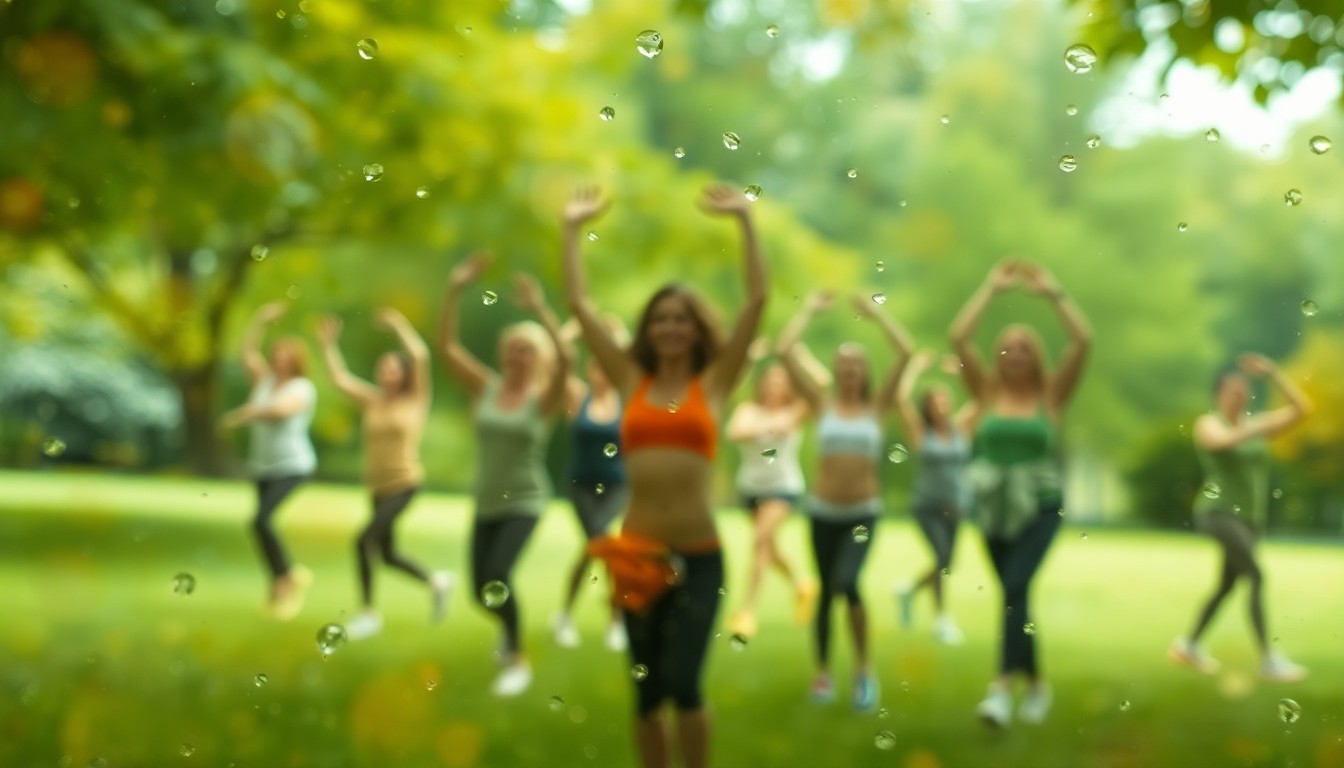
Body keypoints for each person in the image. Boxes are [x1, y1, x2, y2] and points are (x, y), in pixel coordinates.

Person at [563, 183, 764, 768]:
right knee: (648, 692)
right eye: (660, 319)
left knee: (683, 683)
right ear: (648, 329)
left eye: (680, 319)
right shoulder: (631, 380)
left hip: (699, 555)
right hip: (639, 554)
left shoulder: (716, 383)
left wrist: (745, 221)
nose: (670, 328)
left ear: (697, 329)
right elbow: (580, 304)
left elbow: (756, 301)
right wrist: (572, 229)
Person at [949, 260, 1091, 728]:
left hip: (1041, 507)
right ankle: (1037, 687)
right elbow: (958, 338)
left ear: (1036, 356)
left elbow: (1083, 342)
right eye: (1007, 348)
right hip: (992, 507)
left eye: (1024, 348)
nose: (1015, 355)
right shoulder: (985, 393)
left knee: (1014, 588)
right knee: (1015, 595)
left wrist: (1054, 293)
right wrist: (990, 288)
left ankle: (999, 691)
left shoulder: (1051, 396)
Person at [438, 256, 570, 697]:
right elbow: (447, 348)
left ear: (539, 358)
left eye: (526, 349)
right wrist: (454, 288)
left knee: (498, 573)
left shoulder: (543, 399)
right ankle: (508, 633)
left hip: (525, 500)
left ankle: (516, 659)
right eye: (513, 348)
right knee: (480, 591)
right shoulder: (488, 387)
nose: (517, 356)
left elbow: (568, 358)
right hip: (487, 500)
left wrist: (540, 309)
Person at [775, 289, 913, 713]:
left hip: (862, 513)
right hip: (823, 511)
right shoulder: (822, 404)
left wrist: (877, 315)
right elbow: (784, 350)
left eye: (857, 364)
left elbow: (906, 353)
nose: (850, 369)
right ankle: (822, 674)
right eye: (844, 364)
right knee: (826, 590)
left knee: (847, 582)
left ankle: (864, 672)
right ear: (836, 371)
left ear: (865, 372)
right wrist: (808, 311)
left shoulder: (878, 407)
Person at [1168, 353, 1313, 682]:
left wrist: (1274, 373)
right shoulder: (1209, 424)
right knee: (1256, 576)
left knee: (1226, 585)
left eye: (1244, 390)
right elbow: (1219, 442)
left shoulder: (1254, 425)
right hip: (1218, 513)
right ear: (1218, 394)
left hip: (1250, 518)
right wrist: (1257, 427)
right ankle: (1269, 660)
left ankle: (1188, 645)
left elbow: (1302, 410)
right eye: (1233, 390)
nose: (1240, 395)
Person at [317, 307, 454, 641]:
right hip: (377, 488)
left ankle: (368, 615)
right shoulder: (373, 401)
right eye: (384, 368)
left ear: (404, 375)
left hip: (404, 482)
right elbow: (340, 379)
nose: (388, 374)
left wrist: (399, 324)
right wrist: (328, 345)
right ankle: (436, 582)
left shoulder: (415, 400)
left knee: (363, 540)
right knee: (388, 554)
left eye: (394, 368)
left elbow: (420, 356)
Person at [219, 302, 317, 620]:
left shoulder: (302, 388)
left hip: (294, 466)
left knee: (260, 521)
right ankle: (279, 585)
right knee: (261, 529)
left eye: (286, 357)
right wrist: (259, 320)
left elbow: (281, 411)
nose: (279, 361)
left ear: (296, 361)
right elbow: (247, 353)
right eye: (276, 355)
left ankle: (287, 579)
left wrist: (246, 413)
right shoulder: (264, 381)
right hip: (263, 466)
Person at [552, 316, 631, 652]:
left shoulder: (625, 397)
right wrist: (574, 328)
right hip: (581, 484)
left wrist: (614, 331)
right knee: (598, 543)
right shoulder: (577, 396)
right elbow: (556, 360)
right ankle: (606, 619)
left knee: (599, 542)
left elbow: (629, 357)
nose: (601, 372)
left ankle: (582, 617)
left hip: (618, 485)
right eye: (596, 366)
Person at [724, 355, 817, 640]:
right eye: (770, 381)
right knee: (769, 548)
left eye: (780, 382)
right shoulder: (748, 410)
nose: (774, 386)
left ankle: (747, 610)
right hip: (751, 487)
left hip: (783, 487)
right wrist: (769, 428)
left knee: (760, 539)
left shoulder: (795, 410)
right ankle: (801, 584)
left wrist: (796, 353)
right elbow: (734, 432)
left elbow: (821, 385)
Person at [892, 350, 974, 645]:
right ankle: (942, 620)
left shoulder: (959, 429)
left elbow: (981, 400)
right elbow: (900, 399)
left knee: (947, 562)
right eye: (934, 402)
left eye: (944, 401)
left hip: (956, 505)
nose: (940, 406)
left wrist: (962, 373)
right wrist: (914, 368)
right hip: (927, 505)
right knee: (942, 558)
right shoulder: (920, 432)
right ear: (927, 407)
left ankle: (909, 592)